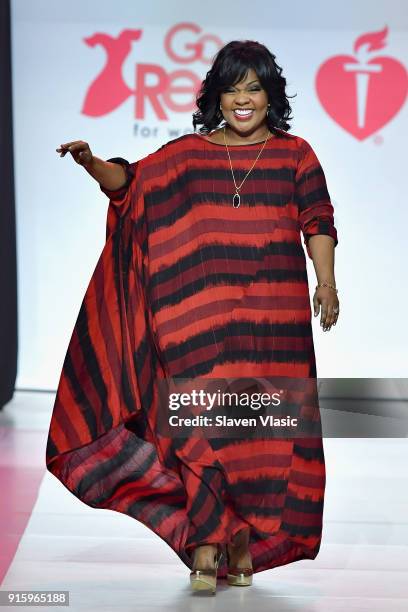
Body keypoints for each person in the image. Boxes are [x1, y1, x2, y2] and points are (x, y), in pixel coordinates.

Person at [49, 39, 339, 596]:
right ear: (216, 97)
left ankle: (239, 542)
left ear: (270, 95)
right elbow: (130, 186)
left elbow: (317, 219)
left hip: (272, 323)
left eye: (254, 87)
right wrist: (91, 163)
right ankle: (208, 543)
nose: (243, 99)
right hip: (199, 322)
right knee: (202, 424)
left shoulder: (296, 153)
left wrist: (325, 282)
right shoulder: (186, 155)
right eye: (232, 88)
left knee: (259, 437)